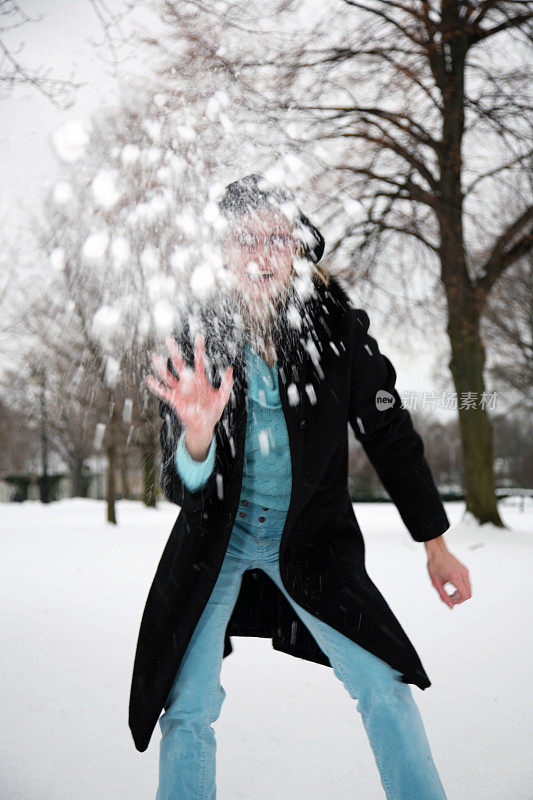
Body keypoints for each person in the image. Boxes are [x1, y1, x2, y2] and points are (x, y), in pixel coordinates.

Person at [140, 173, 472, 799]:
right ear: (222, 251)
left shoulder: (334, 326)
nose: (260, 255)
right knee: (186, 707)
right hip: (218, 544)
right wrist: (198, 437)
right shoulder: (197, 333)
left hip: (312, 541)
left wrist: (436, 541)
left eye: (274, 238)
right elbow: (180, 484)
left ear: (296, 245)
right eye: (244, 240)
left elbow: (389, 431)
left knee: (383, 685)